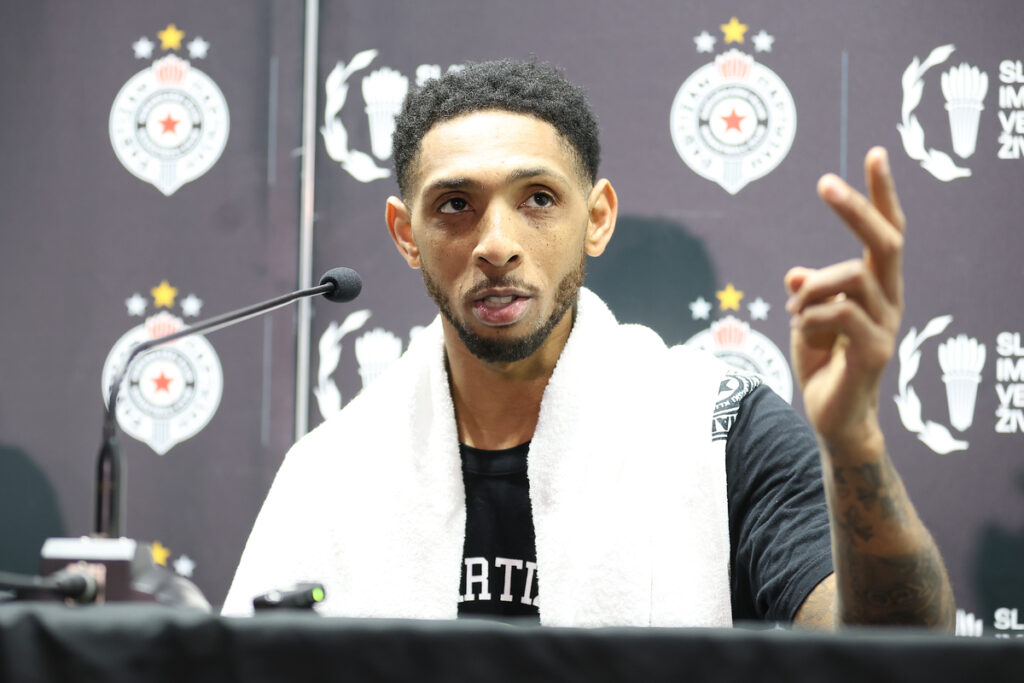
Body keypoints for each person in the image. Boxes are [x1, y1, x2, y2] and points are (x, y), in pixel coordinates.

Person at [223, 59, 954, 629]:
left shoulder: (718, 428)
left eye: (537, 198)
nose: (497, 245)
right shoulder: (333, 468)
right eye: (455, 205)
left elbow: (898, 652)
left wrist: (855, 440)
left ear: (597, 218)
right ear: (406, 234)